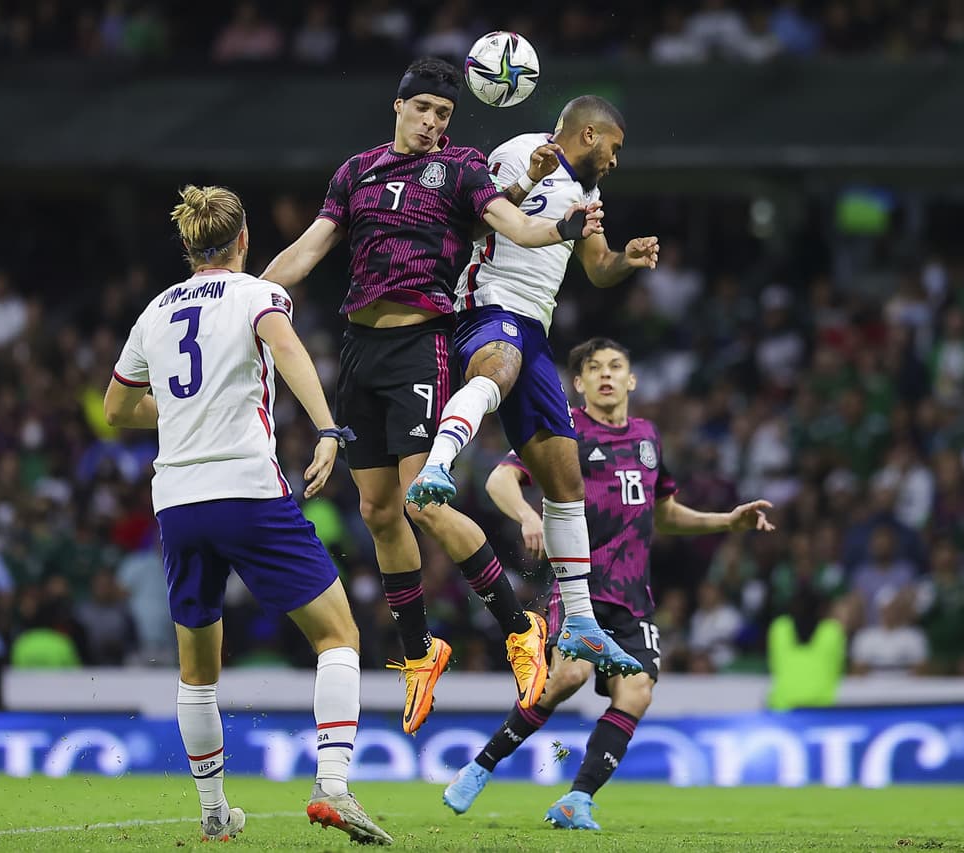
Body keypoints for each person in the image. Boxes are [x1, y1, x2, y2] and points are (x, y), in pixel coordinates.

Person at [261, 57, 618, 734]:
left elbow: (516, 226)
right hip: (358, 347)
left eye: (445, 115)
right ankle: (421, 651)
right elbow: (308, 249)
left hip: (420, 342)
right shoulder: (355, 171)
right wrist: (250, 295)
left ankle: (520, 628)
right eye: (423, 110)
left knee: (424, 505)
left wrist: (563, 227)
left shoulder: (462, 170)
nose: (433, 123)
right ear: (398, 107)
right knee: (376, 509)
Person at [103, 185, 391, 845]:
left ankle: (212, 810)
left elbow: (116, 410)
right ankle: (334, 786)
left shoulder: (154, 311)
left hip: (177, 502)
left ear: (186, 247)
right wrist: (327, 429)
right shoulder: (257, 294)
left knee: (197, 669)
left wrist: (176, 411)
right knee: (338, 635)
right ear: (243, 241)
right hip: (246, 490)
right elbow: (286, 349)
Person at [441, 338, 775, 830]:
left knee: (637, 693)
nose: (605, 375)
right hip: (581, 588)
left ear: (631, 379)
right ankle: (480, 766)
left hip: (633, 597)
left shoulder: (648, 437)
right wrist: (527, 515)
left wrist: (728, 521)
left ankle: (577, 800)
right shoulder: (564, 429)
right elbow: (500, 480)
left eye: (616, 366)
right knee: (567, 679)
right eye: (594, 368)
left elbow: (664, 514)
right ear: (578, 384)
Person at [406, 95, 661, 678]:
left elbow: (596, 268)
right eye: (615, 149)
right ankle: (436, 468)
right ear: (590, 134)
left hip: (534, 326)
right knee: (497, 367)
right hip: (486, 301)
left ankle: (579, 625)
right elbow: (468, 224)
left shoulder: (590, 195)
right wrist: (528, 181)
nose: (617, 162)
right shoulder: (522, 152)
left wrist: (627, 257)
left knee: (565, 476)